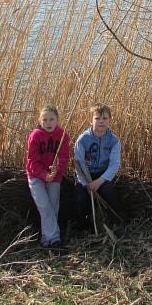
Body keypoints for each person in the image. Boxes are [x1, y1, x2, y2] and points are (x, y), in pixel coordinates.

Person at [74, 103, 124, 234]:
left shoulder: (114, 141)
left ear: (110, 120)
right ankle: (83, 228)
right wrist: (86, 184)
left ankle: (116, 224)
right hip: (85, 176)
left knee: (110, 193)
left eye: (105, 118)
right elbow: (79, 164)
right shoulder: (83, 140)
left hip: (102, 175)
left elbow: (114, 164)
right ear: (90, 120)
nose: (101, 121)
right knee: (81, 199)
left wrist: (99, 181)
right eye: (97, 118)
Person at [26, 105, 70, 247]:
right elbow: (32, 161)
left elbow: (64, 157)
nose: (48, 123)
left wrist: (55, 170)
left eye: (52, 119)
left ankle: (48, 239)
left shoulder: (62, 135)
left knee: (53, 205)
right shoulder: (35, 136)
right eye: (45, 120)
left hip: (54, 176)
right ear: (39, 120)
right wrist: (44, 175)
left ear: (57, 119)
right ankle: (53, 238)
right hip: (36, 176)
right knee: (44, 205)